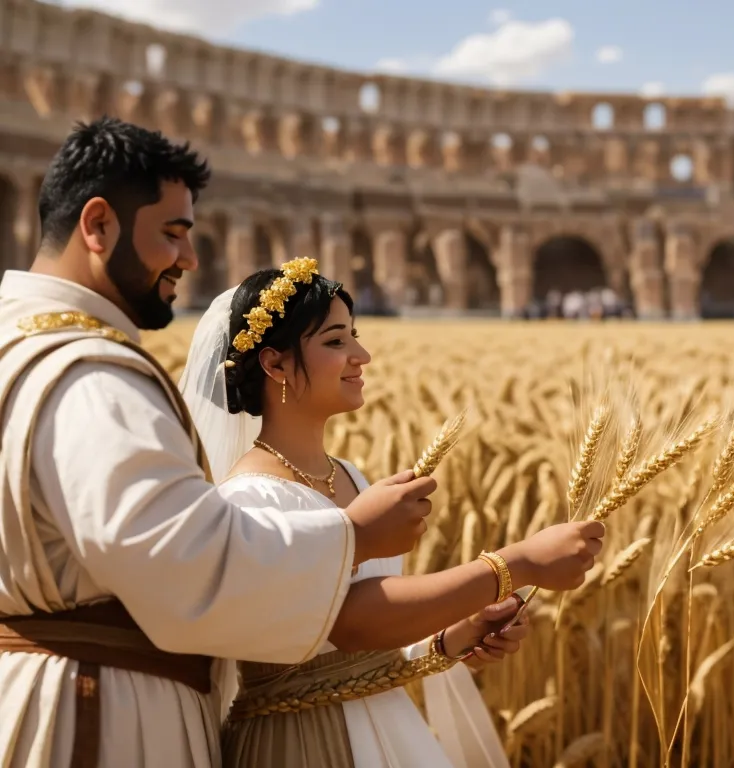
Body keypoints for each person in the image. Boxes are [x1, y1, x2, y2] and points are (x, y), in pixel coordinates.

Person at [0, 116, 605, 768]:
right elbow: (179, 564)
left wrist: (441, 640)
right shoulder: (89, 371)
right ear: (98, 226)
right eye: (172, 234)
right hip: (99, 714)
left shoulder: (34, 349)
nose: (191, 258)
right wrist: (390, 546)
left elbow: (319, 648)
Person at [178, 262, 589, 767]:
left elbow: (359, 649)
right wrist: (510, 567)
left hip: (382, 726)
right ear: (275, 365)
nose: (362, 356)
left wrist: (450, 636)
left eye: (355, 336)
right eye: (335, 342)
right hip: (307, 743)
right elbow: (350, 621)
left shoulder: (351, 476)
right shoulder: (252, 499)